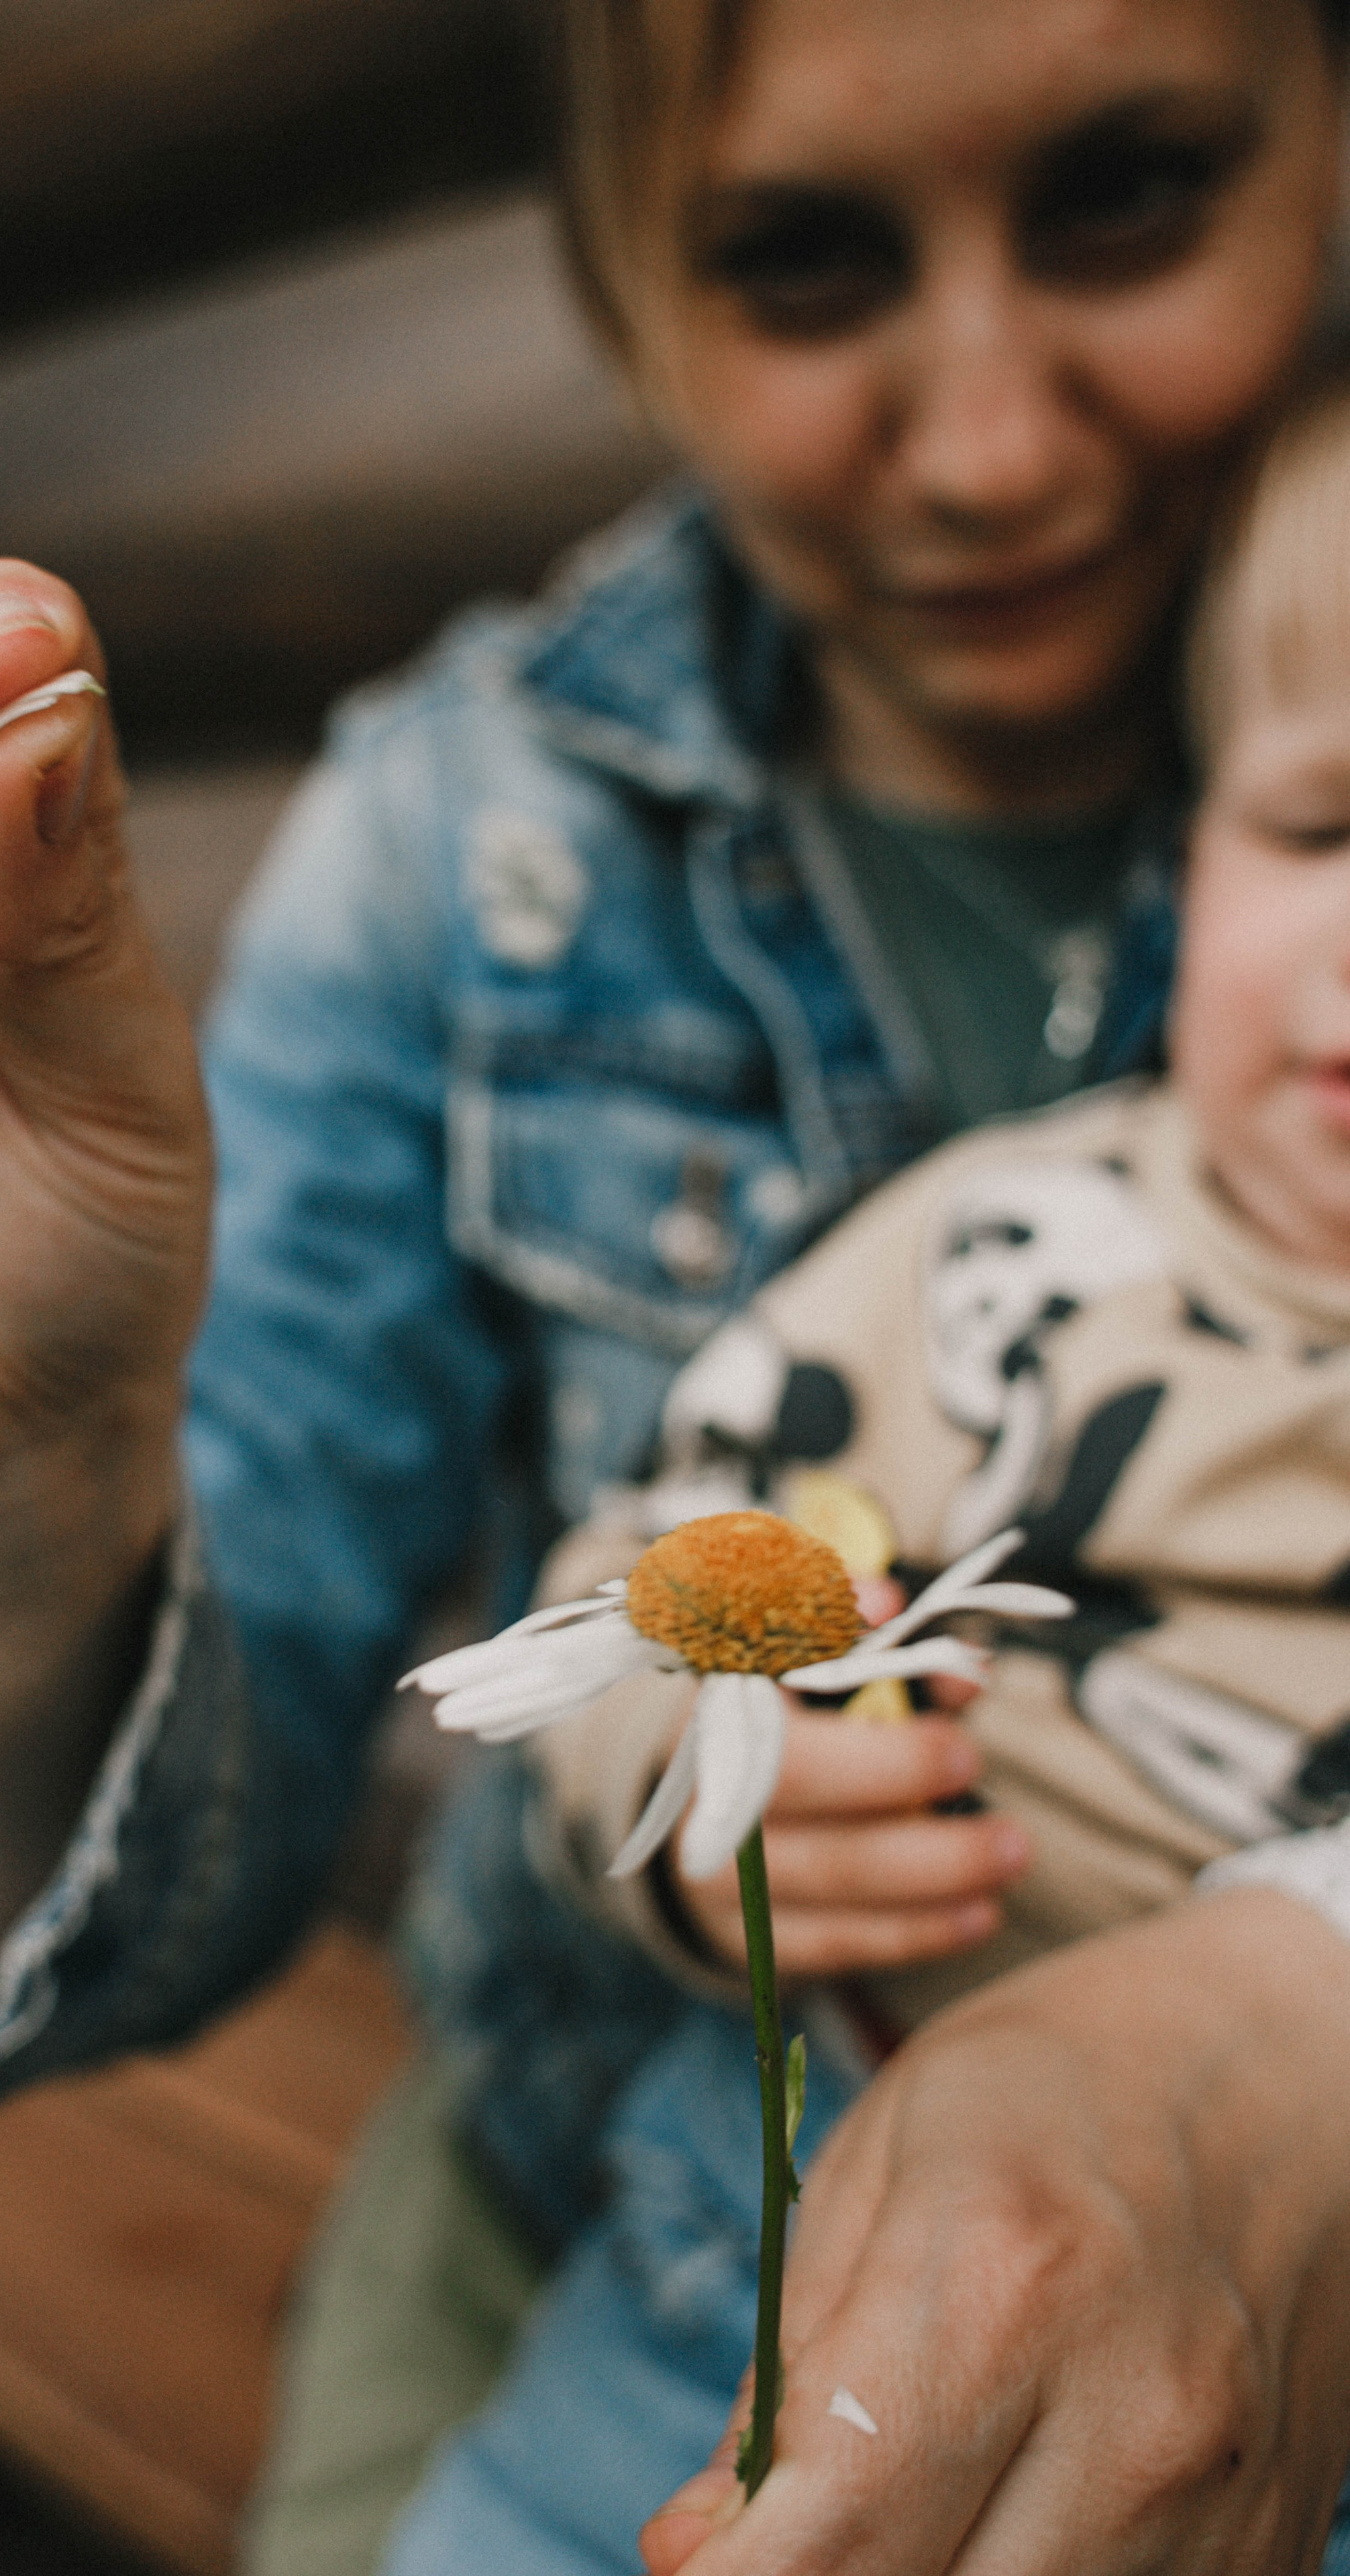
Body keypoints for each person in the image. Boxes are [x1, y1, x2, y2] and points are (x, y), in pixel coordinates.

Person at [0, 3, 1347, 2573]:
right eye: (796, 261)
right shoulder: (468, 848)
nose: (992, 442)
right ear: (618, 285)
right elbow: (188, 1858)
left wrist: (1298, 2003)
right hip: (602, 2185)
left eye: (1126, 197)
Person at [473, 364, 1350, 2576]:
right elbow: (651, 1560)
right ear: (1192, 848)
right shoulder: (1020, 1243)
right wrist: (683, 1780)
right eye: (1325, 828)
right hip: (749, 2223)